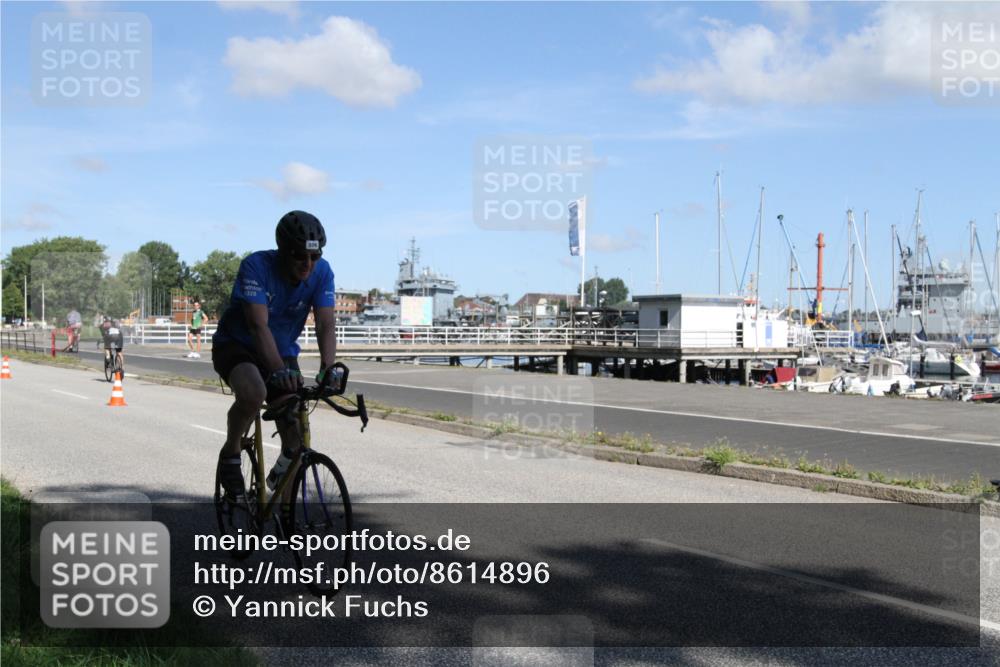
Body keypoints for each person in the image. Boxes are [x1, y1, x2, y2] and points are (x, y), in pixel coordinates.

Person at [212, 211, 340, 500]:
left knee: (295, 438)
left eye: (314, 257)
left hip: (281, 350)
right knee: (254, 392)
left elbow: (325, 324)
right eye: (299, 256)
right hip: (238, 344)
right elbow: (257, 326)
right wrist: (278, 371)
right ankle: (231, 452)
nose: (308, 264)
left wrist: (328, 368)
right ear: (283, 251)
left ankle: (284, 510)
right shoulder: (256, 266)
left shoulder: (322, 272)